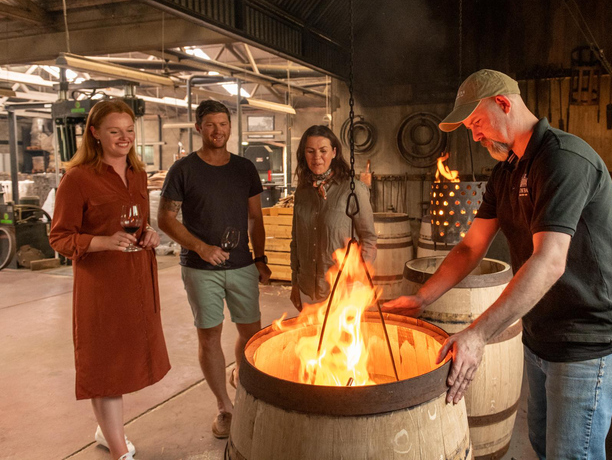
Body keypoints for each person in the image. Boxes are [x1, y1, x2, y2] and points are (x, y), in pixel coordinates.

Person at [383, 69, 612, 460]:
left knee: (572, 454)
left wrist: (477, 333)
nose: (475, 135)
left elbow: (550, 261)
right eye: (470, 127)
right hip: (541, 331)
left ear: (504, 103)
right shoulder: (505, 173)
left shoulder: (562, 159)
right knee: (541, 443)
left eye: (478, 122)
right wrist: (421, 298)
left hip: (587, 335)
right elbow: (470, 248)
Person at [50, 99, 170, 460]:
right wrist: (99, 242)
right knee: (106, 368)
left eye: (130, 130)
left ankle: (106, 431)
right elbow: (58, 237)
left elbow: (138, 222)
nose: (124, 138)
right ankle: (120, 452)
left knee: (126, 363)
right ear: (95, 134)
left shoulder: (137, 173)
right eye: (115, 131)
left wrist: (149, 233)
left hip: (136, 280)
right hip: (101, 287)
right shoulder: (78, 179)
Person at [157, 99, 270, 439]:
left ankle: (241, 377)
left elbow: (255, 218)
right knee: (210, 336)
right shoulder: (184, 169)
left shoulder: (244, 168)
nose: (218, 130)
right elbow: (165, 218)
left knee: (252, 334)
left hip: (241, 264)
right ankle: (224, 406)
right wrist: (201, 248)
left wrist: (261, 259)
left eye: (223, 124)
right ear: (198, 128)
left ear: (230, 127)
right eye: (210, 125)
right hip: (199, 268)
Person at [290, 125, 377, 310]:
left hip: (342, 291)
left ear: (334, 152)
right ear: (304, 154)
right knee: (309, 339)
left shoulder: (353, 189)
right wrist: (295, 283)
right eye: (310, 151)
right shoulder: (302, 192)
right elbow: (296, 241)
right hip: (308, 290)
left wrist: (356, 278)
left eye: (323, 150)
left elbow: (369, 238)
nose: (317, 158)